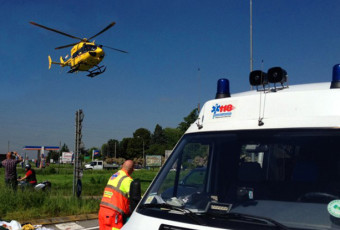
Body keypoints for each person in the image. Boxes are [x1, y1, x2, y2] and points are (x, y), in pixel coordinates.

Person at [98, 160, 134, 230]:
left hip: (103, 211)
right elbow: (135, 198)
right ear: (132, 170)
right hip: (114, 214)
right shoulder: (127, 180)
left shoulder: (115, 175)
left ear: (122, 166)